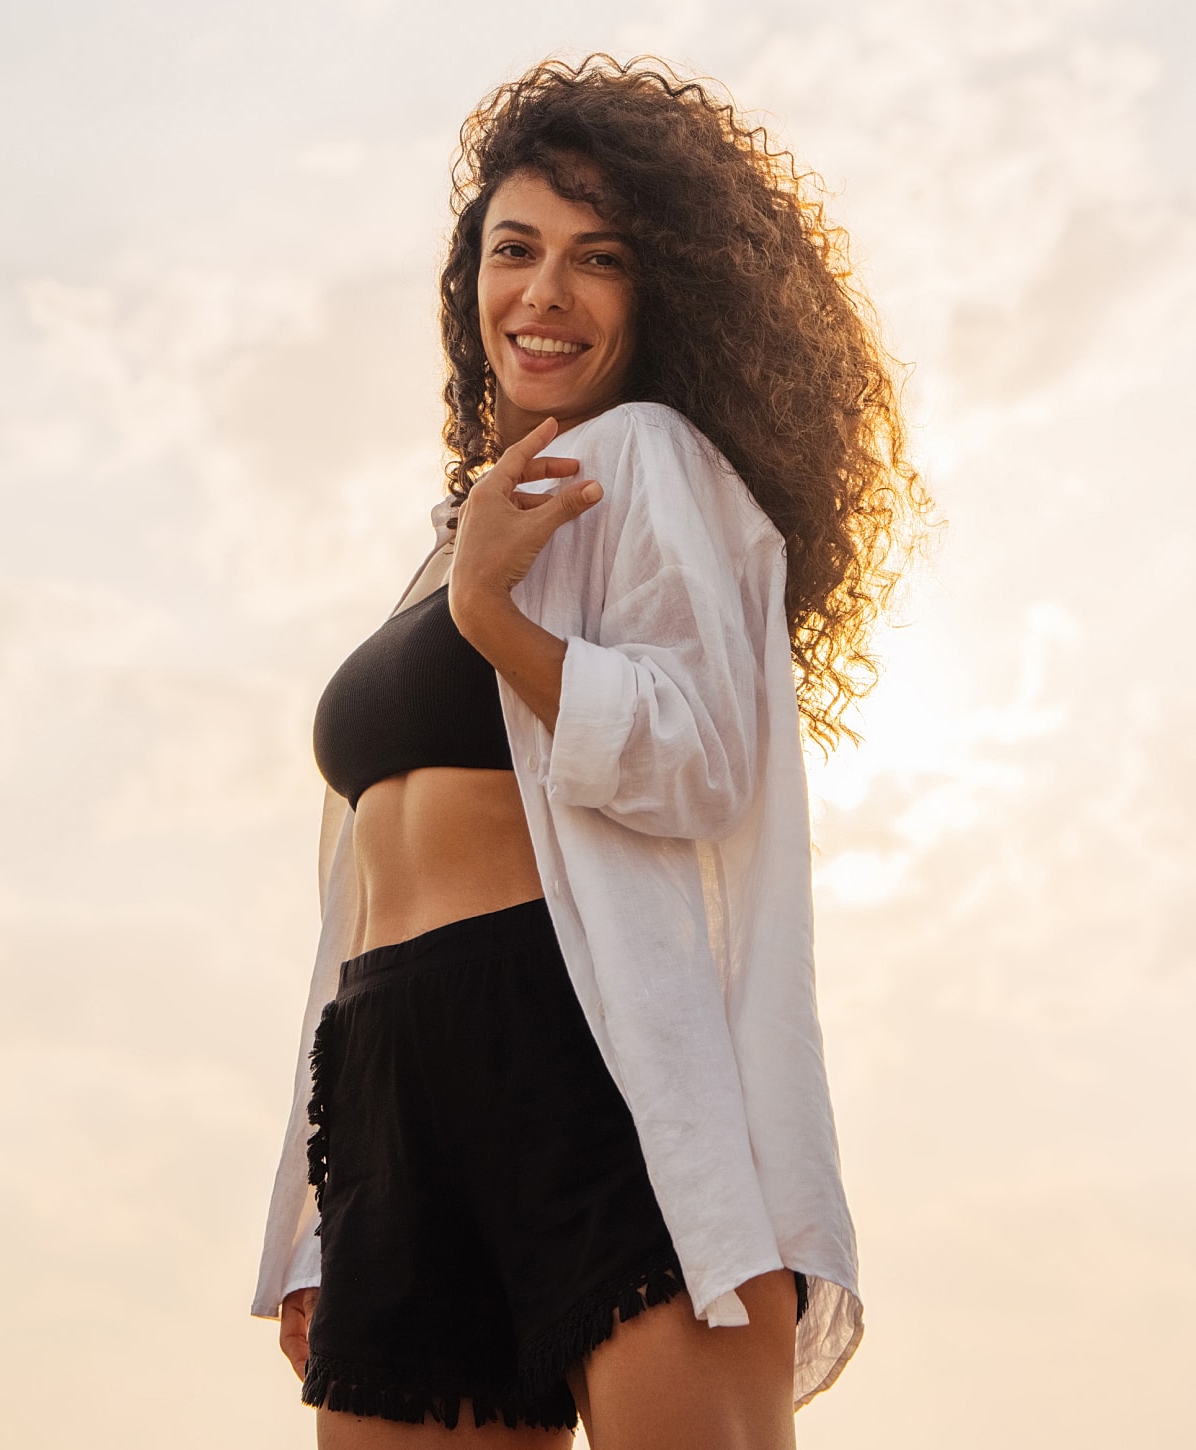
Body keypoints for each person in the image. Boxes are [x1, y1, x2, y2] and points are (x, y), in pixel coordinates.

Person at [252, 54, 928, 1450]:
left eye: (595, 259)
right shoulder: (463, 526)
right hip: (393, 1071)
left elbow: (702, 759)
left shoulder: (653, 461)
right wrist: (320, 1213)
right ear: (470, 281)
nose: (543, 294)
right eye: (515, 251)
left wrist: (493, 614)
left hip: (587, 1054)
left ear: (657, 287)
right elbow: (357, 907)